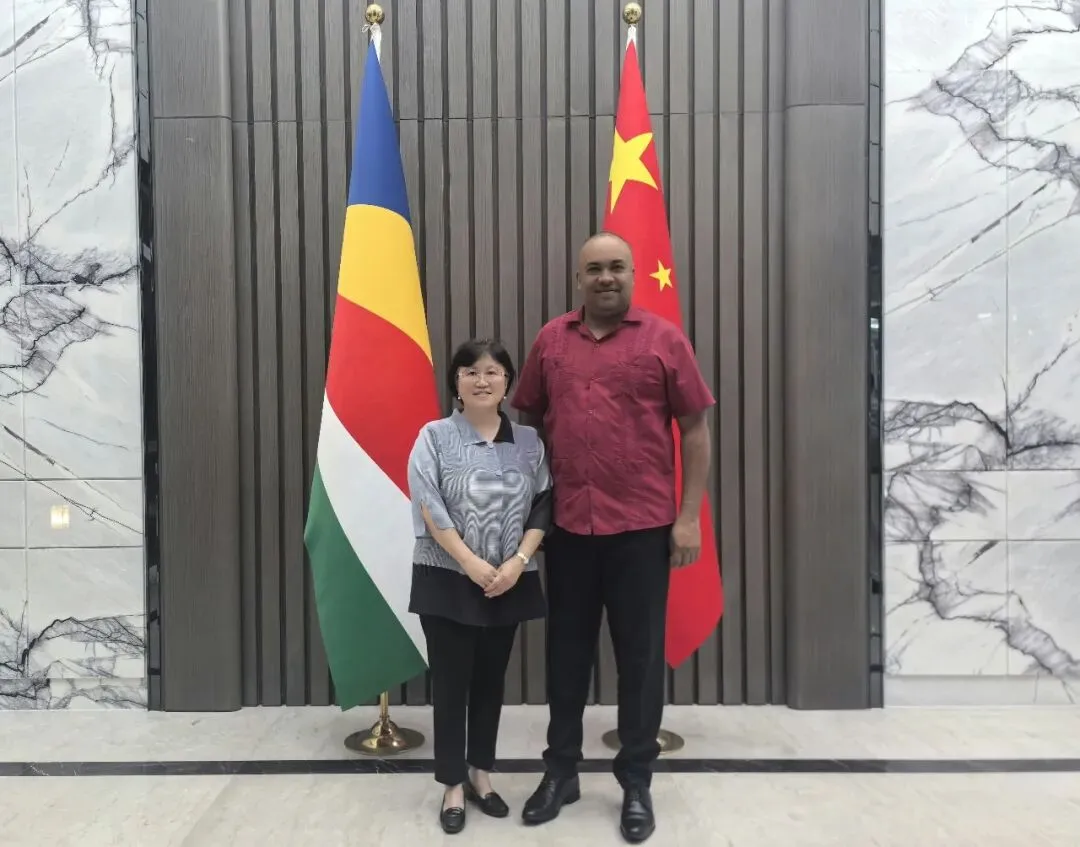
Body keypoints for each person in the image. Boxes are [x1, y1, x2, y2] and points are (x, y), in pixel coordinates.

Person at [512, 232, 715, 844]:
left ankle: (636, 781)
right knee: (565, 657)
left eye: (616, 267)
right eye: (594, 268)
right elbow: (529, 423)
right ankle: (561, 773)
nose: (606, 277)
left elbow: (695, 430)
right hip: (568, 528)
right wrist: (528, 511)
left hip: (642, 530)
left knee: (640, 661)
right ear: (579, 278)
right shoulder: (551, 340)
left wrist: (688, 517)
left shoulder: (664, 340)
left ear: (633, 274)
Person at [406, 338, 551, 835]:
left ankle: (480, 775)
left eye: (492, 372)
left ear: (507, 383)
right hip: (449, 577)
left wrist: (518, 562)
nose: (482, 380)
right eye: (470, 371)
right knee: (451, 685)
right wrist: (469, 562)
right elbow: (428, 503)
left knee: (490, 683)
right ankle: (451, 783)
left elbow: (543, 505)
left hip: (508, 579)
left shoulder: (529, 442)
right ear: (456, 382)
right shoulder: (434, 437)